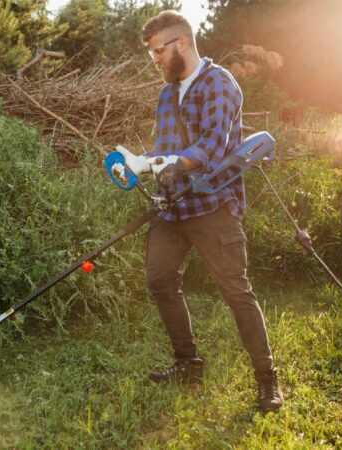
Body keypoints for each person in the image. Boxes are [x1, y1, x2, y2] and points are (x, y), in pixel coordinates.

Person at [115, 10, 283, 413]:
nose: (154, 59)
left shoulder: (219, 83)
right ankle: (188, 363)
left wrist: (167, 164)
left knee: (236, 292)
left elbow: (212, 146)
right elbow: (163, 148)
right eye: (151, 52)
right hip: (172, 209)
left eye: (158, 50)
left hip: (211, 207)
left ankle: (267, 380)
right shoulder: (166, 92)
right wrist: (140, 162)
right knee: (159, 281)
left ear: (182, 43)